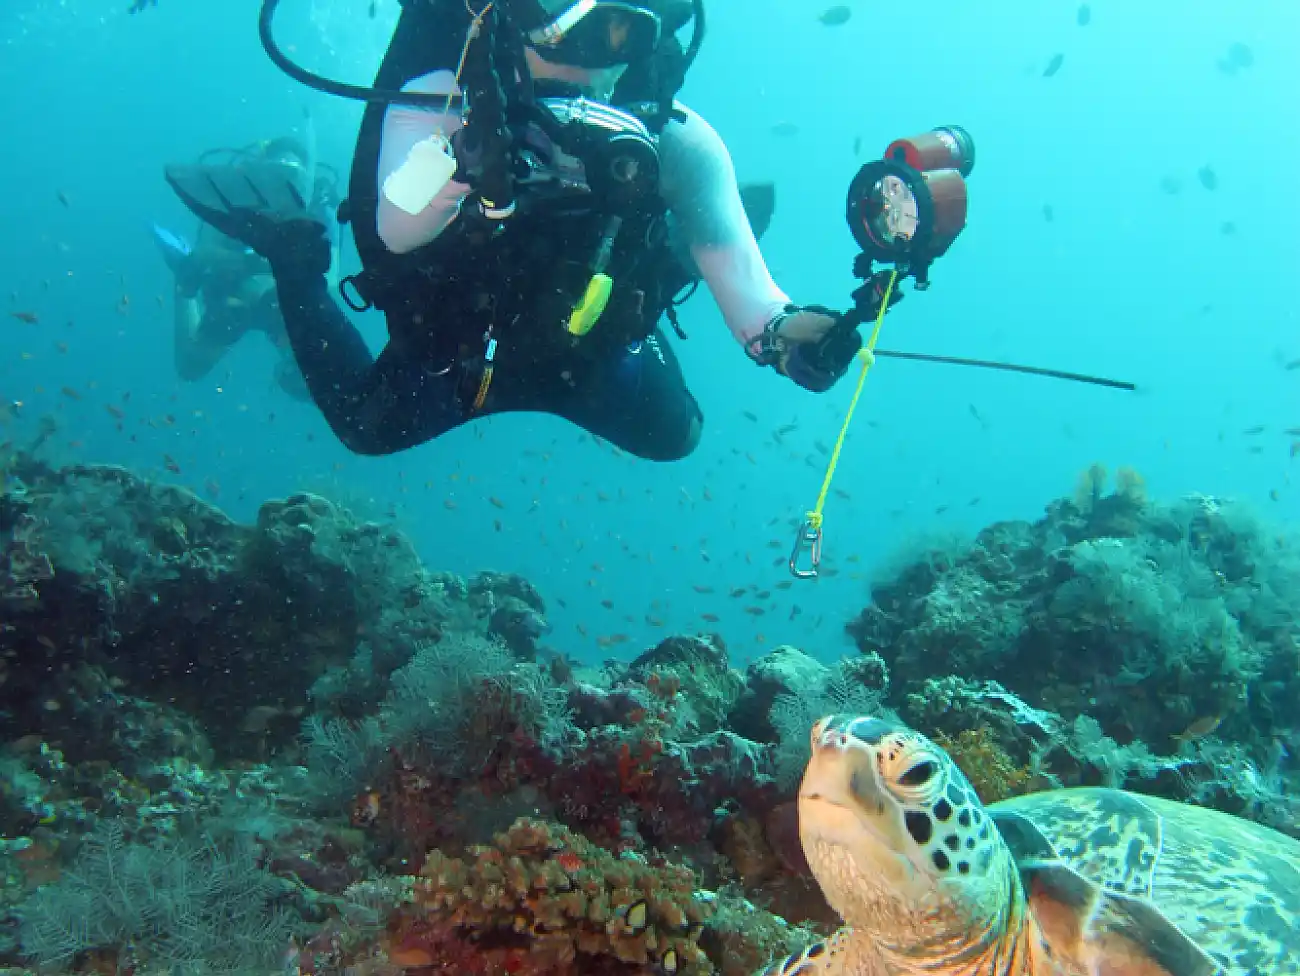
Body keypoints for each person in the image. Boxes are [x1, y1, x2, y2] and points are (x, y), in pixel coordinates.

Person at [165, 0, 852, 461]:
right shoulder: (439, 97)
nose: (588, 55)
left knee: (680, 438)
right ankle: (294, 260)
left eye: (620, 26)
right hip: (456, 359)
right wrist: (467, 163)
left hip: (588, 357)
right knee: (364, 429)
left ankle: (672, 255)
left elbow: (756, 297)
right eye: (560, 15)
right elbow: (398, 230)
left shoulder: (678, 140)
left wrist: (784, 334)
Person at [154, 138, 341, 401]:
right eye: (275, 173)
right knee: (190, 366)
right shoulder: (234, 197)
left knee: (312, 375)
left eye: (291, 175)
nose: (282, 184)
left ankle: (294, 358)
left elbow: (330, 278)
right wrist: (263, 262)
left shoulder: (319, 209)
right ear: (258, 171)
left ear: (305, 180)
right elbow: (206, 252)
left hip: (283, 302)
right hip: (234, 290)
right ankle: (183, 282)